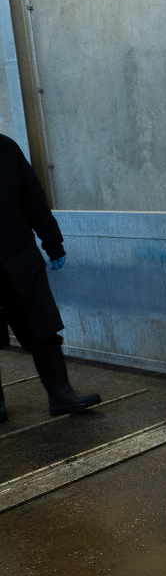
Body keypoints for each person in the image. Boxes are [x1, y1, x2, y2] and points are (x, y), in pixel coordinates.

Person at [0, 133, 100, 422]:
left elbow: (32, 197)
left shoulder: (5, 148)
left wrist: (52, 241)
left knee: (42, 325)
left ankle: (61, 394)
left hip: (18, 257)